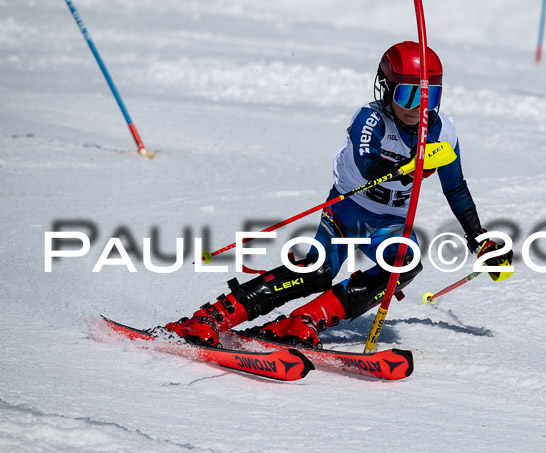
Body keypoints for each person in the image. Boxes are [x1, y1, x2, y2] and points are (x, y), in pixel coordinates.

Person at [164, 41, 512, 349]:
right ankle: (212, 317)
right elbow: (366, 164)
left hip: (390, 223)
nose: (418, 107)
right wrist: (413, 163)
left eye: (429, 96)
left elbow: (456, 187)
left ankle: (303, 321)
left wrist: (478, 239)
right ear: (385, 87)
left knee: (403, 263)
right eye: (407, 95)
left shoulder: (443, 131)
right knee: (318, 271)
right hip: (347, 210)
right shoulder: (371, 119)